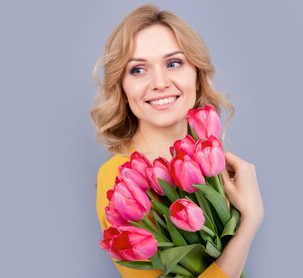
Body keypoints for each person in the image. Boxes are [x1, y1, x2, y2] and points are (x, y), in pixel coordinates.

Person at [90, 4, 264, 278]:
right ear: (122, 88)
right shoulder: (119, 180)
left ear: (196, 75)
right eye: (138, 70)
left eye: (173, 63)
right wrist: (249, 223)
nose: (160, 82)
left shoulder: (210, 159)